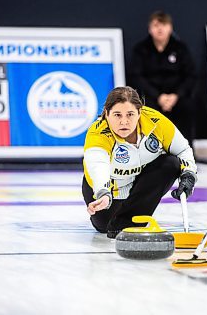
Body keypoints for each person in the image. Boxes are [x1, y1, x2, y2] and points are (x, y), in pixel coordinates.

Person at [82, 86, 197, 238]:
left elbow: (182, 150)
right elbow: (98, 165)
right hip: (108, 192)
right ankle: (121, 216)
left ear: (139, 113)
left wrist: (189, 175)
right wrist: (103, 193)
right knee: (105, 226)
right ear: (106, 114)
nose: (124, 121)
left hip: (139, 184)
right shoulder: (98, 133)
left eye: (130, 114)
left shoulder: (156, 122)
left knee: (171, 164)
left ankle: (129, 219)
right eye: (117, 115)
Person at [129, 11, 197, 145]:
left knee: (187, 106)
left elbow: (190, 75)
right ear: (150, 28)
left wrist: (176, 96)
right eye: (156, 25)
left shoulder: (180, 49)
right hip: (151, 97)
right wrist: (158, 96)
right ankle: (150, 153)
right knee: (144, 107)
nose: (160, 29)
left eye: (163, 25)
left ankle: (185, 153)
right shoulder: (141, 50)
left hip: (176, 97)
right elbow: (136, 76)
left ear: (170, 28)